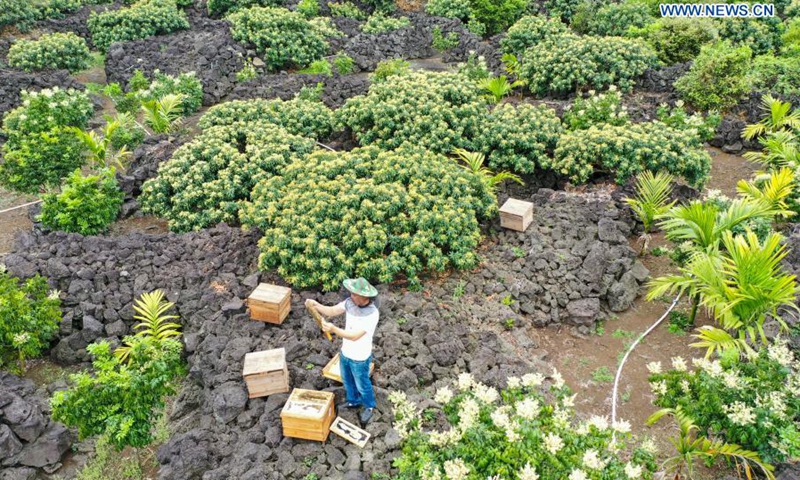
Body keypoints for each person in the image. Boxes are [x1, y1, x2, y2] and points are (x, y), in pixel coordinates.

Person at [305, 277, 380, 426]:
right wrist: (316, 305)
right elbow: (332, 311)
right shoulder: (349, 303)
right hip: (345, 353)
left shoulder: (372, 314)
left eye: (355, 294)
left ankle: (369, 406)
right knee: (347, 380)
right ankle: (353, 401)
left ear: (365, 297)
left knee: (362, 384)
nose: (351, 296)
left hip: (360, 357)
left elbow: (354, 336)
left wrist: (333, 329)